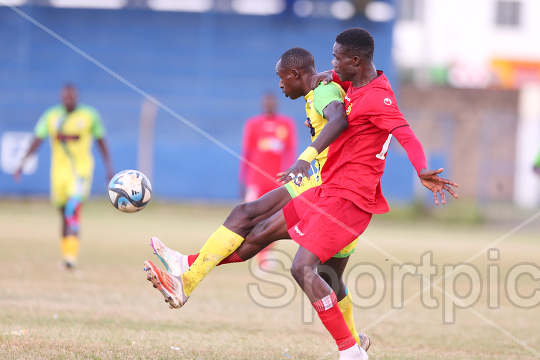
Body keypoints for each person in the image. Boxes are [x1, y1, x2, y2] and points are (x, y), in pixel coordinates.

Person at [145, 28, 458, 359]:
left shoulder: (379, 99)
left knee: (302, 268)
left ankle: (351, 350)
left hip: (349, 198)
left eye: (337, 57)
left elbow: (406, 135)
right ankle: (187, 275)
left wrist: (422, 168)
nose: (331, 62)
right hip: (326, 190)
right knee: (267, 237)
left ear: (355, 60)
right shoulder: (352, 83)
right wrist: (322, 75)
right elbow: (332, 80)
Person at [148, 47, 371, 352]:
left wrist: (307, 156)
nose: (280, 86)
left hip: (328, 192)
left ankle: (186, 273)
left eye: (281, 78)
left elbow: (339, 118)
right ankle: (185, 274)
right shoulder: (317, 90)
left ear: (294, 75)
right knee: (249, 219)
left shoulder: (321, 94)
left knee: (267, 237)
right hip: (314, 183)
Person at [14, 83, 114, 268]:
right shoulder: (51, 116)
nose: (68, 99)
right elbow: (37, 139)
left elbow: (101, 140)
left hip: (80, 172)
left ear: (77, 97)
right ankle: (67, 253)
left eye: (71, 96)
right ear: (61, 97)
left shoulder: (89, 116)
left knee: (72, 210)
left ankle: (70, 258)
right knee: (63, 213)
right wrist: (21, 163)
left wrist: (109, 167)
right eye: (65, 96)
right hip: (58, 174)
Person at [239, 92, 297, 266]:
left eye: (272, 101)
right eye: (267, 101)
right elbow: (246, 154)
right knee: (251, 219)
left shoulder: (286, 124)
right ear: (263, 103)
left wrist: (291, 176)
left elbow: (291, 152)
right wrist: (243, 180)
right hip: (256, 181)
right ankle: (251, 253)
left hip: (277, 181)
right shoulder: (253, 124)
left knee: (274, 220)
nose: (269, 104)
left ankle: (266, 255)